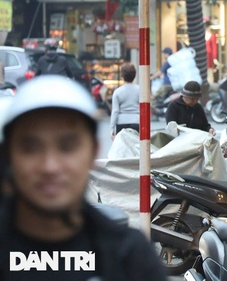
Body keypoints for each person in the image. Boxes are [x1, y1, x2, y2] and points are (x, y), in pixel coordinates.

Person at [0, 75, 167, 280]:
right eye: (31, 148)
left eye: (68, 146)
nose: (50, 166)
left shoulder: (130, 257)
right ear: (9, 155)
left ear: (93, 152)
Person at [110, 62, 140, 138]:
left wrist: (112, 128)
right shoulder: (140, 90)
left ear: (122, 75)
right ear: (134, 75)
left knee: (123, 148)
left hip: (121, 123)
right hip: (136, 121)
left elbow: (115, 111)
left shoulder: (117, 92)